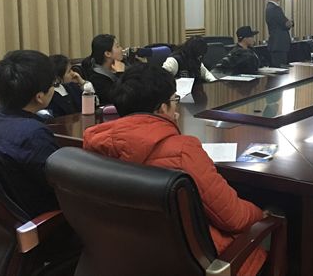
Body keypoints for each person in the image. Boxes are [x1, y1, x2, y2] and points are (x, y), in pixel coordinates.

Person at [83, 65, 267, 276]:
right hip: (198, 264)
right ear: (162, 108)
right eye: (174, 100)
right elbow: (233, 218)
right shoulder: (182, 152)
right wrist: (263, 214)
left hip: (122, 259)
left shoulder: (95, 144)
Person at [0, 50, 59, 217]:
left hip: (4, 218)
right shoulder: (34, 135)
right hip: (41, 220)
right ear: (39, 97)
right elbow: (60, 186)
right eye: (54, 84)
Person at [83, 34, 125, 105]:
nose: (121, 49)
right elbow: (121, 97)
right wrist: (121, 74)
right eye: (117, 46)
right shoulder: (97, 78)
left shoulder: (123, 64)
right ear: (108, 54)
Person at [264, 0, 293, 67]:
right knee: (281, 70)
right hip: (279, 44)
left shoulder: (269, 7)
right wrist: (291, 22)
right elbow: (286, 24)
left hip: (276, 44)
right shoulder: (275, 8)